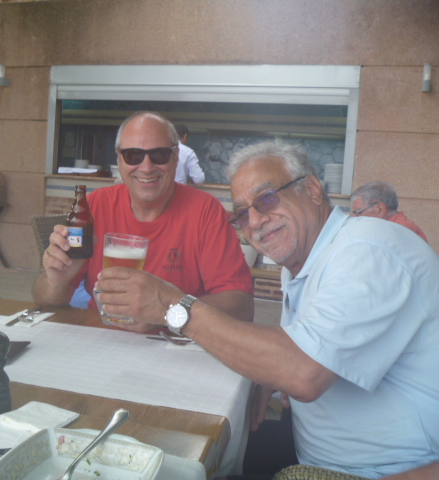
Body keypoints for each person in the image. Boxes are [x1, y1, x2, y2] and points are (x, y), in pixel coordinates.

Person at [95, 139, 439, 478]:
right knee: (165, 453)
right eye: (243, 214)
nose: (256, 220)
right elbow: (305, 348)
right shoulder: (304, 259)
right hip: (314, 450)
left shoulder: (368, 249)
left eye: (267, 199)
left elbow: (303, 372)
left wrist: (173, 306)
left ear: (312, 190)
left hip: (380, 469)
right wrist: (269, 376)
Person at [32, 111, 254, 330]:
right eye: (133, 155)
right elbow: (45, 299)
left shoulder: (205, 210)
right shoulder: (95, 206)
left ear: (176, 157)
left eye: (159, 155)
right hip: (100, 335)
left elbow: (241, 306)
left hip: (174, 342)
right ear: (119, 159)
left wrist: (166, 312)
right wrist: (56, 281)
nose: (146, 168)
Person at [350, 181, 428, 242]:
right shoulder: (395, 227)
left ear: (380, 209)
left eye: (359, 212)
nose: (354, 218)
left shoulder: (398, 231)